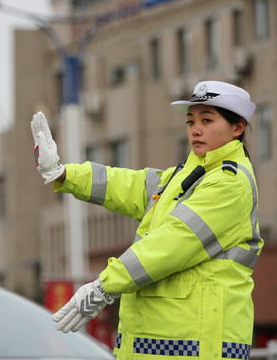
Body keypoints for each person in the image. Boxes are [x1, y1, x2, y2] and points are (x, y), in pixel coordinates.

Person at [31, 80, 263, 360]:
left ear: (238, 128)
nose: (195, 129)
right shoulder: (186, 176)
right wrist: (63, 173)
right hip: (173, 344)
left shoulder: (229, 182)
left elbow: (169, 245)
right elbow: (130, 185)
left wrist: (103, 286)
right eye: (191, 121)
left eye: (207, 120)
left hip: (200, 346)